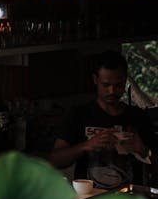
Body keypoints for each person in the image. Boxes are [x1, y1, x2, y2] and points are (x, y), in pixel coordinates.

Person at [49, 50, 157, 189]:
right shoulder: (79, 114)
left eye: (118, 85)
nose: (112, 91)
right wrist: (86, 145)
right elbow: (55, 160)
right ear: (95, 80)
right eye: (106, 85)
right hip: (90, 198)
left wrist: (143, 150)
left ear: (125, 81)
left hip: (130, 198)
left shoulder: (138, 117)